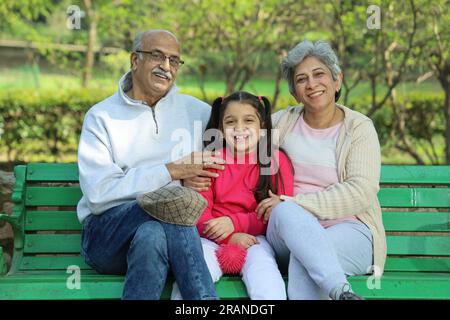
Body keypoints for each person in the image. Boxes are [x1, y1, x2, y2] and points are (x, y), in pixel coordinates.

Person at [77, 29, 224, 300]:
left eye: (174, 60)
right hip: (106, 236)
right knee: (174, 203)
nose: (166, 67)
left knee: (152, 234)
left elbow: (233, 157)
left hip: (163, 241)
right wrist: (173, 173)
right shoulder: (101, 117)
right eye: (157, 56)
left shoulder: (199, 112)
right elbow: (99, 195)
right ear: (135, 60)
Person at [256, 40, 387, 300]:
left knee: (307, 257)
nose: (312, 84)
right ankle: (343, 293)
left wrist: (295, 202)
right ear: (295, 92)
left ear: (337, 81)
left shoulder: (359, 128)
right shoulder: (280, 124)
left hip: (350, 231)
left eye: (319, 74)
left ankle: (340, 292)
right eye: (302, 79)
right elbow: (240, 151)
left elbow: (361, 191)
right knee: (287, 217)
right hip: (286, 230)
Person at [172, 92, 294, 299]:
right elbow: (199, 214)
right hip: (209, 237)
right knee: (194, 274)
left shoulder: (275, 160)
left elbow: (277, 214)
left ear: (262, 126)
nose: (239, 128)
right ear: (220, 128)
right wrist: (230, 236)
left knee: (266, 277)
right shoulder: (209, 160)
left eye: (248, 120)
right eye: (230, 122)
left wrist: (235, 223)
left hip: (256, 239)